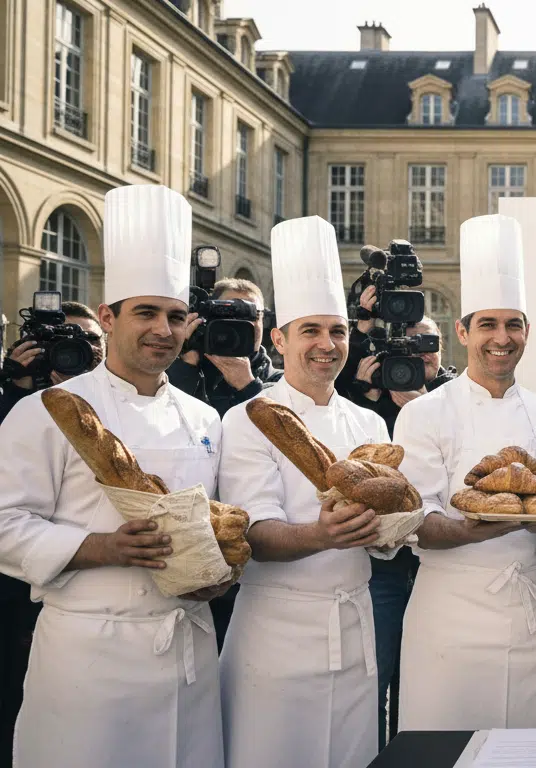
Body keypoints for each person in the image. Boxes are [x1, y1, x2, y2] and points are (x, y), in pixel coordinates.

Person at [0, 184, 230, 767]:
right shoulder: (46, 411)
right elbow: (4, 522)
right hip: (91, 657)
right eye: (146, 313)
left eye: (176, 316)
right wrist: (102, 547)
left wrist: (223, 570)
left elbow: (219, 523)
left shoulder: (206, 419)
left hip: (187, 649)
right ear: (107, 318)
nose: (163, 329)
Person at [393, 214, 536, 730]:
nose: (501, 338)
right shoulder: (423, 414)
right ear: (462, 331)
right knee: (444, 749)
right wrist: (483, 526)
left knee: (534, 752)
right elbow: (417, 521)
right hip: (448, 616)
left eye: (512, 324)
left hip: (529, 610)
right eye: (488, 325)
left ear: (527, 332)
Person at [218, 217, 384, 768]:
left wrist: (391, 534)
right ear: (279, 339)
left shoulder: (369, 426)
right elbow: (254, 533)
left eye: (337, 331)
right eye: (310, 330)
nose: (326, 344)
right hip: (276, 635)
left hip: (355, 627)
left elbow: (387, 531)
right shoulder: (248, 420)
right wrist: (322, 534)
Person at [342, 314, 454, 748]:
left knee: (427, 685)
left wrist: (420, 404)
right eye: (407, 344)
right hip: (381, 568)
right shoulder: (361, 402)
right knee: (374, 675)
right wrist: (368, 395)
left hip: (438, 564)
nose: (418, 352)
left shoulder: (455, 396)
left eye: (429, 341)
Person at [0, 300, 103, 764]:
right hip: (14, 598)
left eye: (90, 343)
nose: (76, 353)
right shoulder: (22, 402)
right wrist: (16, 386)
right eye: (63, 343)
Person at [167, 277, 281, 652]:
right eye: (226, 314)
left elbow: (286, 442)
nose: (238, 327)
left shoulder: (277, 382)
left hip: (261, 546)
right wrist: (186, 361)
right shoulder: (181, 373)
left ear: (265, 323)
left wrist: (247, 386)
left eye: (250, 316)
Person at [167, 278, 282, 418]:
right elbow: (166, 419)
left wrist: (248, 386)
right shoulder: (181, 367)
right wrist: (185, 367)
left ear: (263, 321)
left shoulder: (282, 382)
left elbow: (285, 432)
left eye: (253, 314)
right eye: (229, 314)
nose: (243, 324)